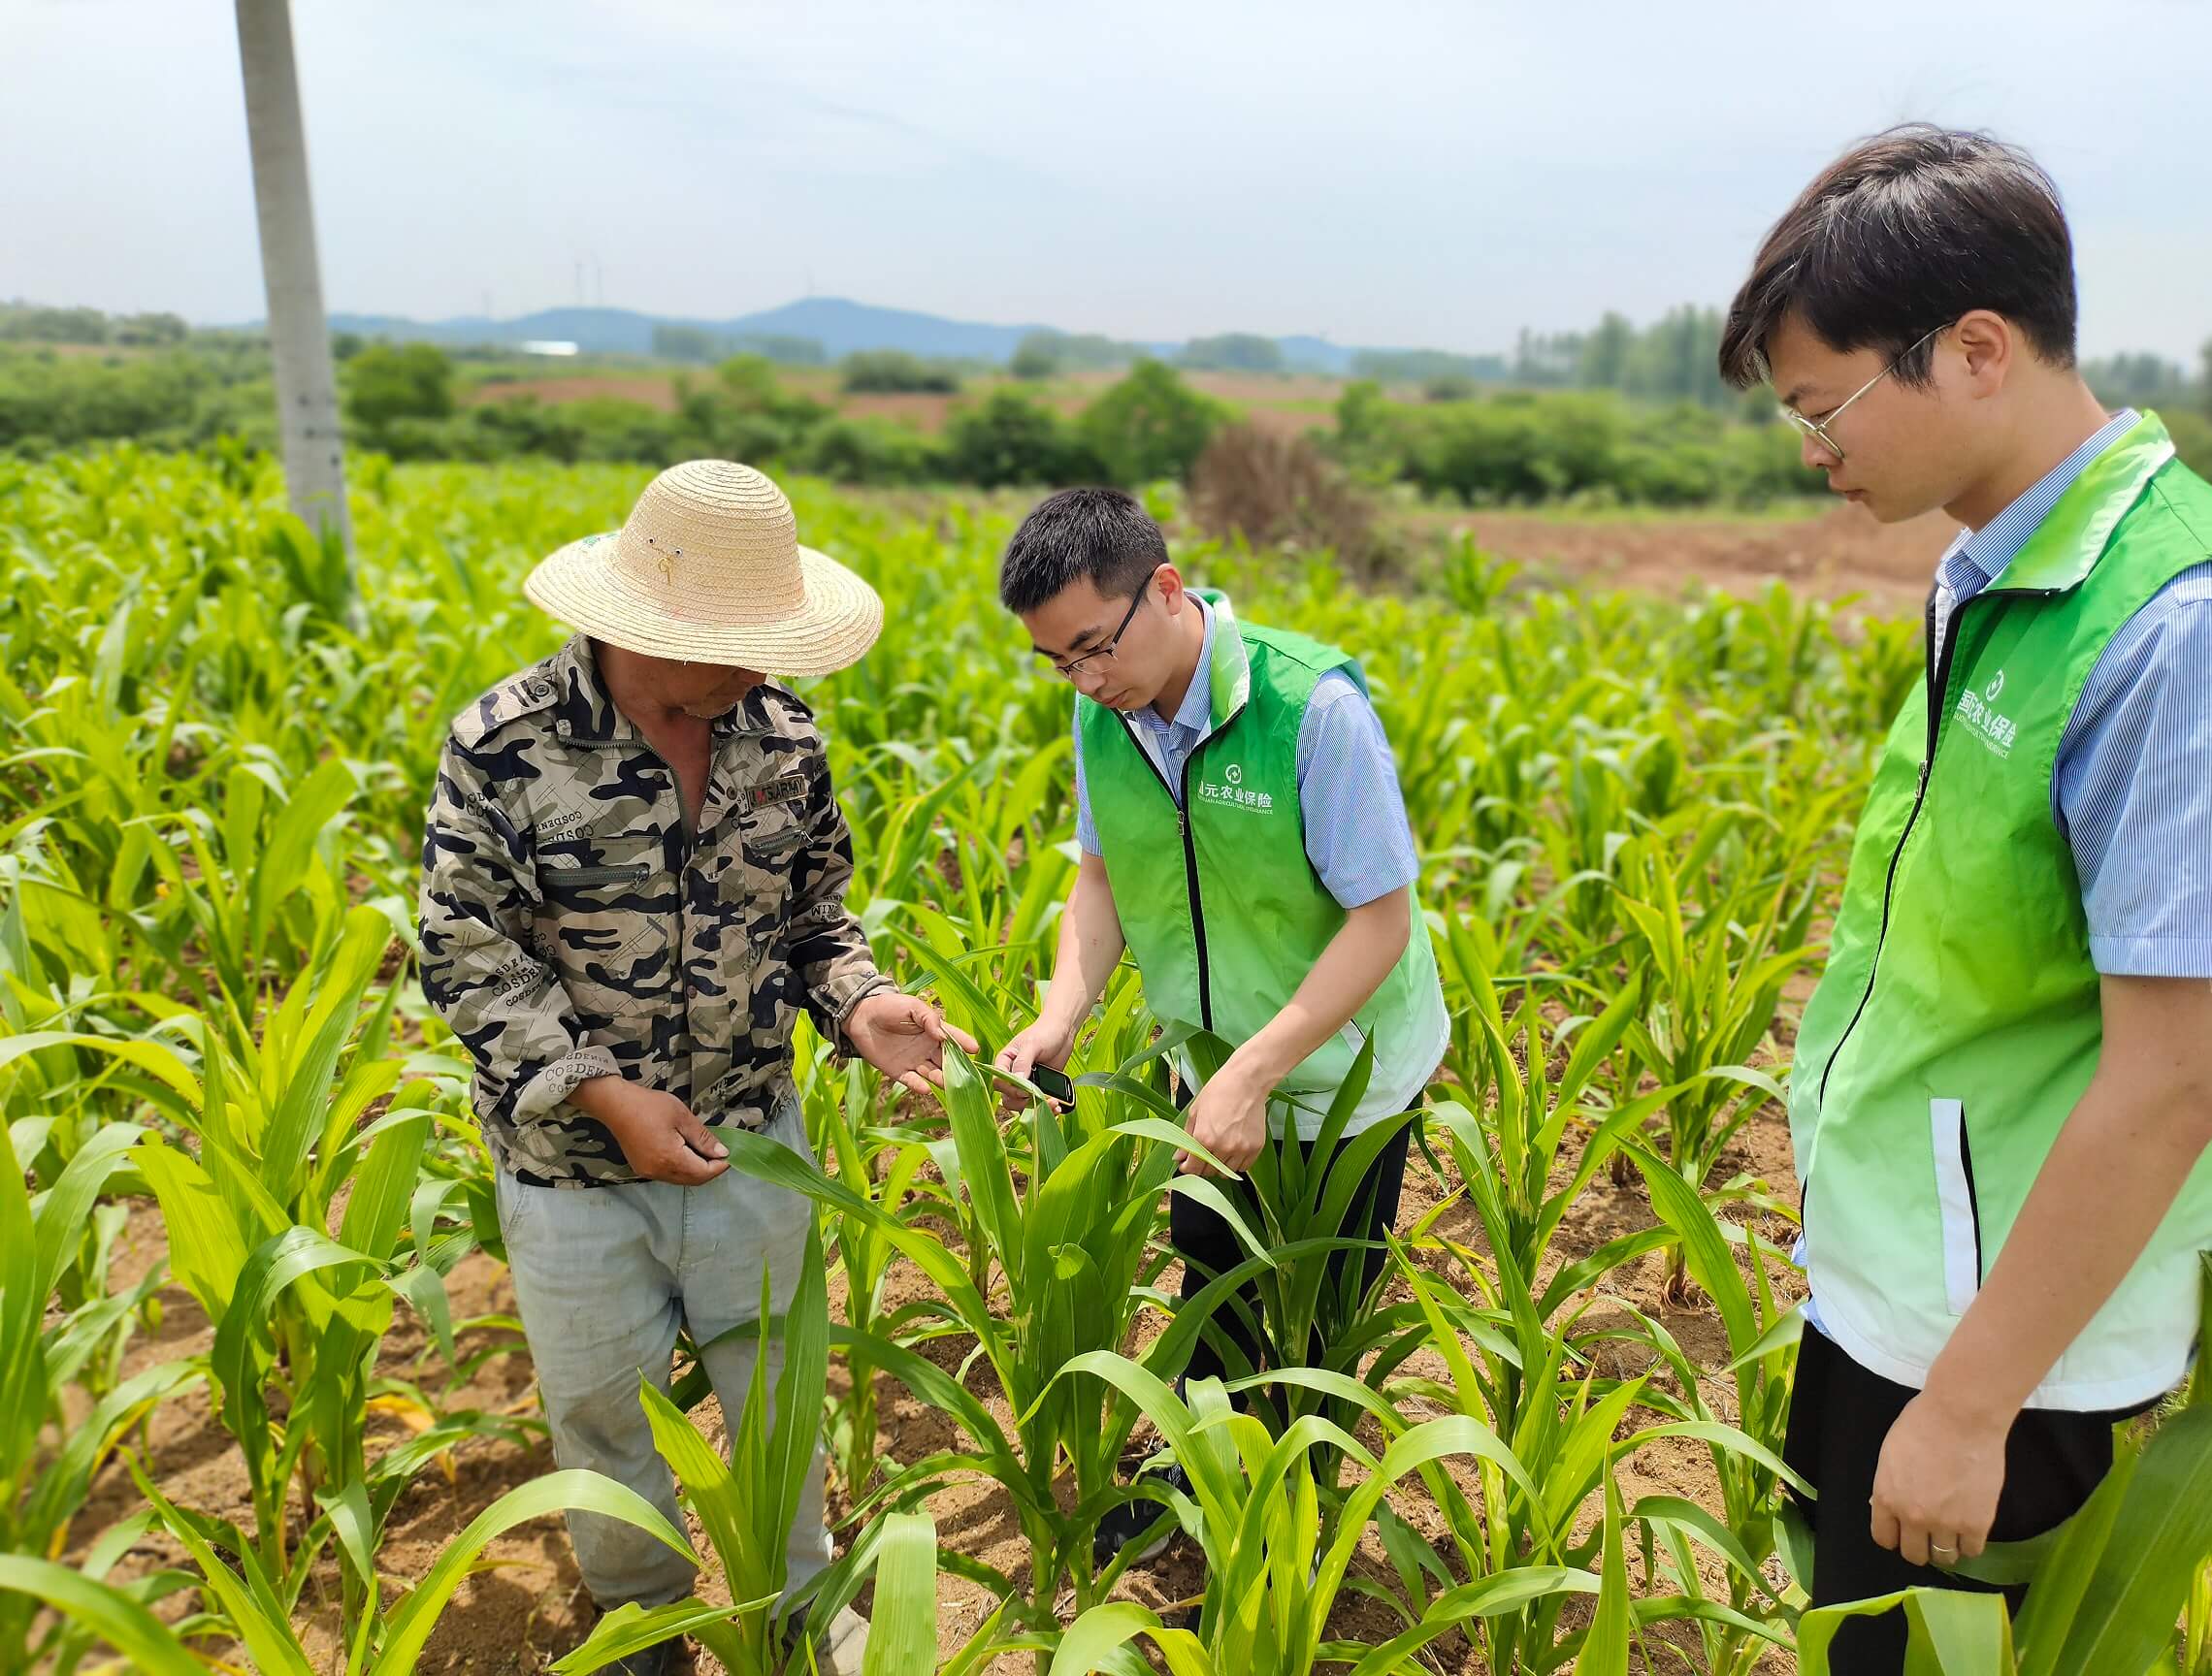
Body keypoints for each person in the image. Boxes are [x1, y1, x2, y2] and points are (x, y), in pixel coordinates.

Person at [1718, 125, 2212, 1670]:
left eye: (1826, 406)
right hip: (1901, 1288)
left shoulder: (2176, 630)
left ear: (1977, 350)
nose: (1814, 449)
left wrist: (1966, 1406)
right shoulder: (1998, 569)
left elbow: (2180, 1072)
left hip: (2011, 1357)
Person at [418, 460, 975, 1676]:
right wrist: (604, 1096)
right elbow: (465, 955)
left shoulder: (781, 738)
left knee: (778, 1400)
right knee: (604, 1418)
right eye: (731, 644)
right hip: (571, 1166)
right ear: (637, 624)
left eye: (770, 644)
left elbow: (815, 919)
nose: (758, 671)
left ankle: (793, 1609)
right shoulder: (505, 749)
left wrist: (863, 1004)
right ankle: (643, 1622)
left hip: (748, 1140)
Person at [991, 487, 1450, 1566]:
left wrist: (1261, 1067)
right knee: (1210, 1273)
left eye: (1094, 647)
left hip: (1343, 1072)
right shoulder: (1104, 712)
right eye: (1058, 662)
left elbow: (1382, 921)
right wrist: (1063, 1015)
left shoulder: (1310, 711)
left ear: (1164, 589)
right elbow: (1101, 880)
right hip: (1209, 1061)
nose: (1087, 679)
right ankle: (1196, 1469)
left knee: (1318, 1307)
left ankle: (1295, 1517)